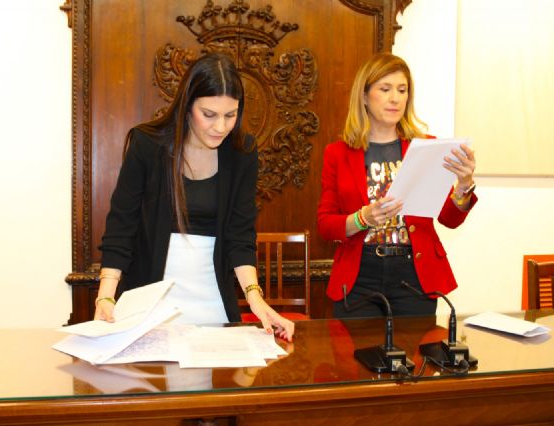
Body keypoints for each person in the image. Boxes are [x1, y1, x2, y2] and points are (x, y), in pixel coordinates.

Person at [94, 52, 294, 341]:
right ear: (187, 105)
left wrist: (255, 297)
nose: (221, 127)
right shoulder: (147, 145)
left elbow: (240, 235)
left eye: (230, 115)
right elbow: (121, 226)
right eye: (209, 115)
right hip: (149, 297)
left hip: (212, 297)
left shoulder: (242, 152)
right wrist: (105, 296)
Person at [317, 53, 477, 318]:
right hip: (360, 276)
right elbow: (325, 224)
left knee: (416, 346)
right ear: (364, 96)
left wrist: (464, 185)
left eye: (402, 90)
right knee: (355, 346)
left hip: (414, 275)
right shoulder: (338, 153)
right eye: (385, 89)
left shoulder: (426, 147)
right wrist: (363, 218)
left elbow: (449, 220)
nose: (395, 98)